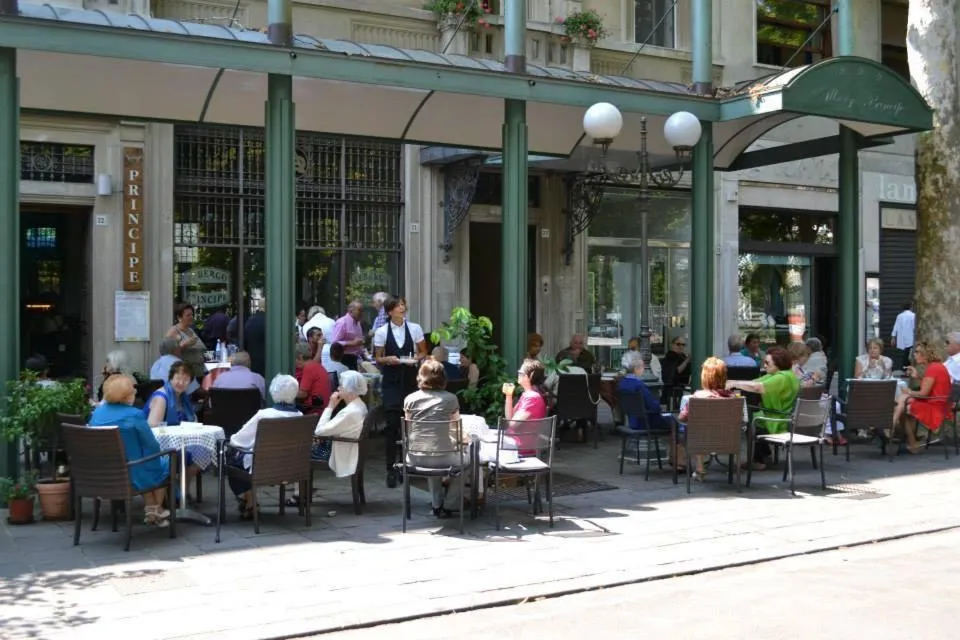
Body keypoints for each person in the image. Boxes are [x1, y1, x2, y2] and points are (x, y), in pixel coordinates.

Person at [88, 375, 172, 527]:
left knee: (140, 462)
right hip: (131, 475)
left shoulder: (97, 414)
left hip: (102, 473)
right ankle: (155, 510)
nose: (135, 392)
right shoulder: (134, 415)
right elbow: (152, 446)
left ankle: (152, 508)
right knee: (166, 460)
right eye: (133, 391)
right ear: (126, 396)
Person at [226, 374, 302, 519]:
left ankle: (250, 500)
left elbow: (238, 440)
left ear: (273, 392)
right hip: (290, 468)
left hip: (263, 467)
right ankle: (249, 502)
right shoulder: (300, 416)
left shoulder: (264, 415)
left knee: (231, 457)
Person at [373, 295, 428, 487]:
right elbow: (378, 358)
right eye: (398, 306)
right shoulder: (381, 332)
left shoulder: (415, 328)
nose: (402, 308)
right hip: (391, 381)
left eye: (403, 305)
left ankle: (407, 465)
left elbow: (423, 352)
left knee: (410, 424)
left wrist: (416, 359)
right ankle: (390, 468)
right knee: (392, 424)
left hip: (410, 380)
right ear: (390, 311)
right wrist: (388, 359)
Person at [404, 360, 465, 518]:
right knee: (467, 463)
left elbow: (408, 429)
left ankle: (437, 505)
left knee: (432, 450)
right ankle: (450, 504)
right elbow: (457, 428)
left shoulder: (410, 399)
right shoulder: (451, 399)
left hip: (415, 457)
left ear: (420, 377)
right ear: (443, 377)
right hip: (442, 457)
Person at [726, 346, 799, 471]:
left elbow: (757, 387)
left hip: (777, 420)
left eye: (767, 363)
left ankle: (758, 460)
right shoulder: (781, 374)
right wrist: (733, 382)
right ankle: (765, 455)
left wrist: (733, 384)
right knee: (752, 416)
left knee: (749, 419)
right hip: (781, 417)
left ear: (778, 363)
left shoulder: (782, 377)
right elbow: (755, 382)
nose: (764, 366)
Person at [678, 357, 736, 479]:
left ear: (704, 377)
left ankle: (699, 467)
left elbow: (682, 418)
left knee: (695, 428)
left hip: (702, 440)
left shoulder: (697, 397)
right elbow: (742, 419)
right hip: (727, 439)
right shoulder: (733, 397)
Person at [893, 341, 953, 453]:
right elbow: (930, 387)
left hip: (936, 406)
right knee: (903, 402)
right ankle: (909, 441)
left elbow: (923, 393)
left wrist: (909, 391)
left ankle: (895, 427)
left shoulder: (933, 368)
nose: (914, 354)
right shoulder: (935, 366)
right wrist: (917, 377)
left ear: (926, 354)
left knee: (903, 405)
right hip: (938, 403)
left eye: (917, 352)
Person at [313, 370, 369, 477]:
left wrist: (330, 406)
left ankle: (300, 486)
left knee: (302, 452)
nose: (338, 388)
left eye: (341, 386)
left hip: (339, 453)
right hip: (350, 449)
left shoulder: (349, 412)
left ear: (349, 390)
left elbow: (319, 432)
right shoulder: (360, 405)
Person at [501, 358, 549, 455]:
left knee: (478, 444)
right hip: (513, 441)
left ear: (531, 375)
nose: (518, 373)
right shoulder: (527, 395)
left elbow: (513, 424)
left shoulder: (532, 398)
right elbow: (509, 418)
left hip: (520, 445)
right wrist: (508, 396)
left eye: (521, 373)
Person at [618, 350, 669, 434]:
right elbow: (654, 406)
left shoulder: (622, 383)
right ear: (636, 369)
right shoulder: (638, 384)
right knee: (674, 420)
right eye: (642, 367)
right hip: (646, 422)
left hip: (632, 422)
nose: (643, 369)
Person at [145, 361, 198, 427]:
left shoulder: (183, 396)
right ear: (170, 379)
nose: (181, 383)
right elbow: (153, 427)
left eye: (186, 380)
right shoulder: (161, 398)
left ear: (190, 382)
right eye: (178, 378)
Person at [165, 303, 207, 381]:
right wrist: (184, 345)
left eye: (192, 315)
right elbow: (168, 354)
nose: (191, 317)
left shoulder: (190, 330)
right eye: (188, 315)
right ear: (179, 317)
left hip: (199, 374)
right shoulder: (173, 332)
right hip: (185, 376)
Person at [294, 342, 331, 415]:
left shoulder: (309, 367)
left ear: (300, 357)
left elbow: (303, 394)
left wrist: (285, 393)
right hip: (322, 409)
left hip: (314, 411)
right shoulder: (317, 365)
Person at [330, 301, 365, 370]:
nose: (362, 313)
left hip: (354, 358)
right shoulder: (342, 322)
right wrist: (352, 343)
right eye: (360, 310)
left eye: (362, 311)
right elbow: (335, 344)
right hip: (343, 358)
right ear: (350, 310)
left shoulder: (358, 324)